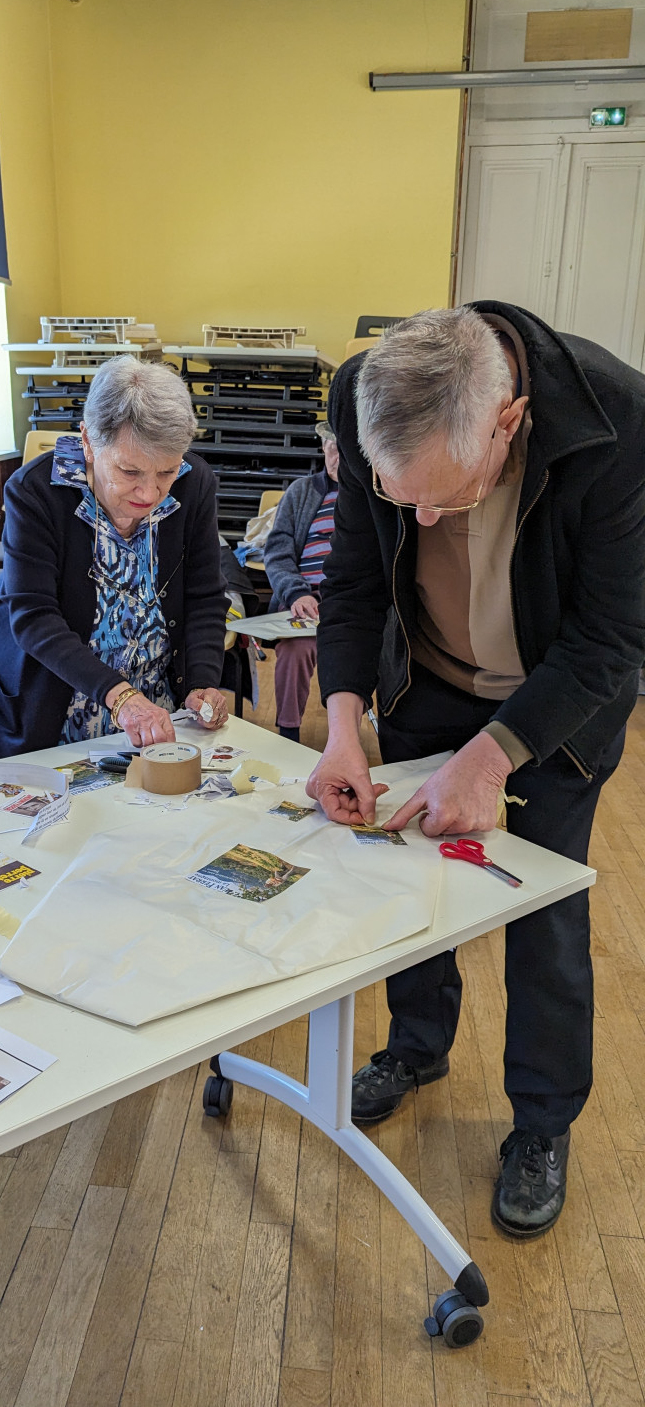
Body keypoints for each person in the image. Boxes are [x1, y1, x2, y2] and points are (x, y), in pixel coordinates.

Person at [307, 304, 645, 1239]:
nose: (419, 518)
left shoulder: (620, 419)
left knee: (543, 914)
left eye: (443, 499)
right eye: (399, 494)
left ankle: (541, 1124)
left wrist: (494, 756)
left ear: (506, 422)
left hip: (552, 713)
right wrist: (343, 724)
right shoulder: (361, 393)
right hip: (425, 686)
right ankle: (415, 1050)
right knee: (411, 893)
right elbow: (355, 583)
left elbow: (612, 639)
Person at [0, 356, 230, 758]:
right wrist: (121, 697)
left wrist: (201, 681)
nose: (149, 494)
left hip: (154, 716)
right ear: (88, 442)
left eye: (166, 472)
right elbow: (33, 616)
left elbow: (205, 596)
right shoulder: (34, 492)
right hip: (52, 716)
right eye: (130, 472)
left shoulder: (194, 482)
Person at [263, 422, 340, 740]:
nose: (338, 456)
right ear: (324, 448)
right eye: (332, 447)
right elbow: (277, 553)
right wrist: (296, 594)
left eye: (346, 448)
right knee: (295, 649)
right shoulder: (301, 492)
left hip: (348, 600)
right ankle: (288, 734)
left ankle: (345, 734)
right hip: (304, 597)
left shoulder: (371, 496)